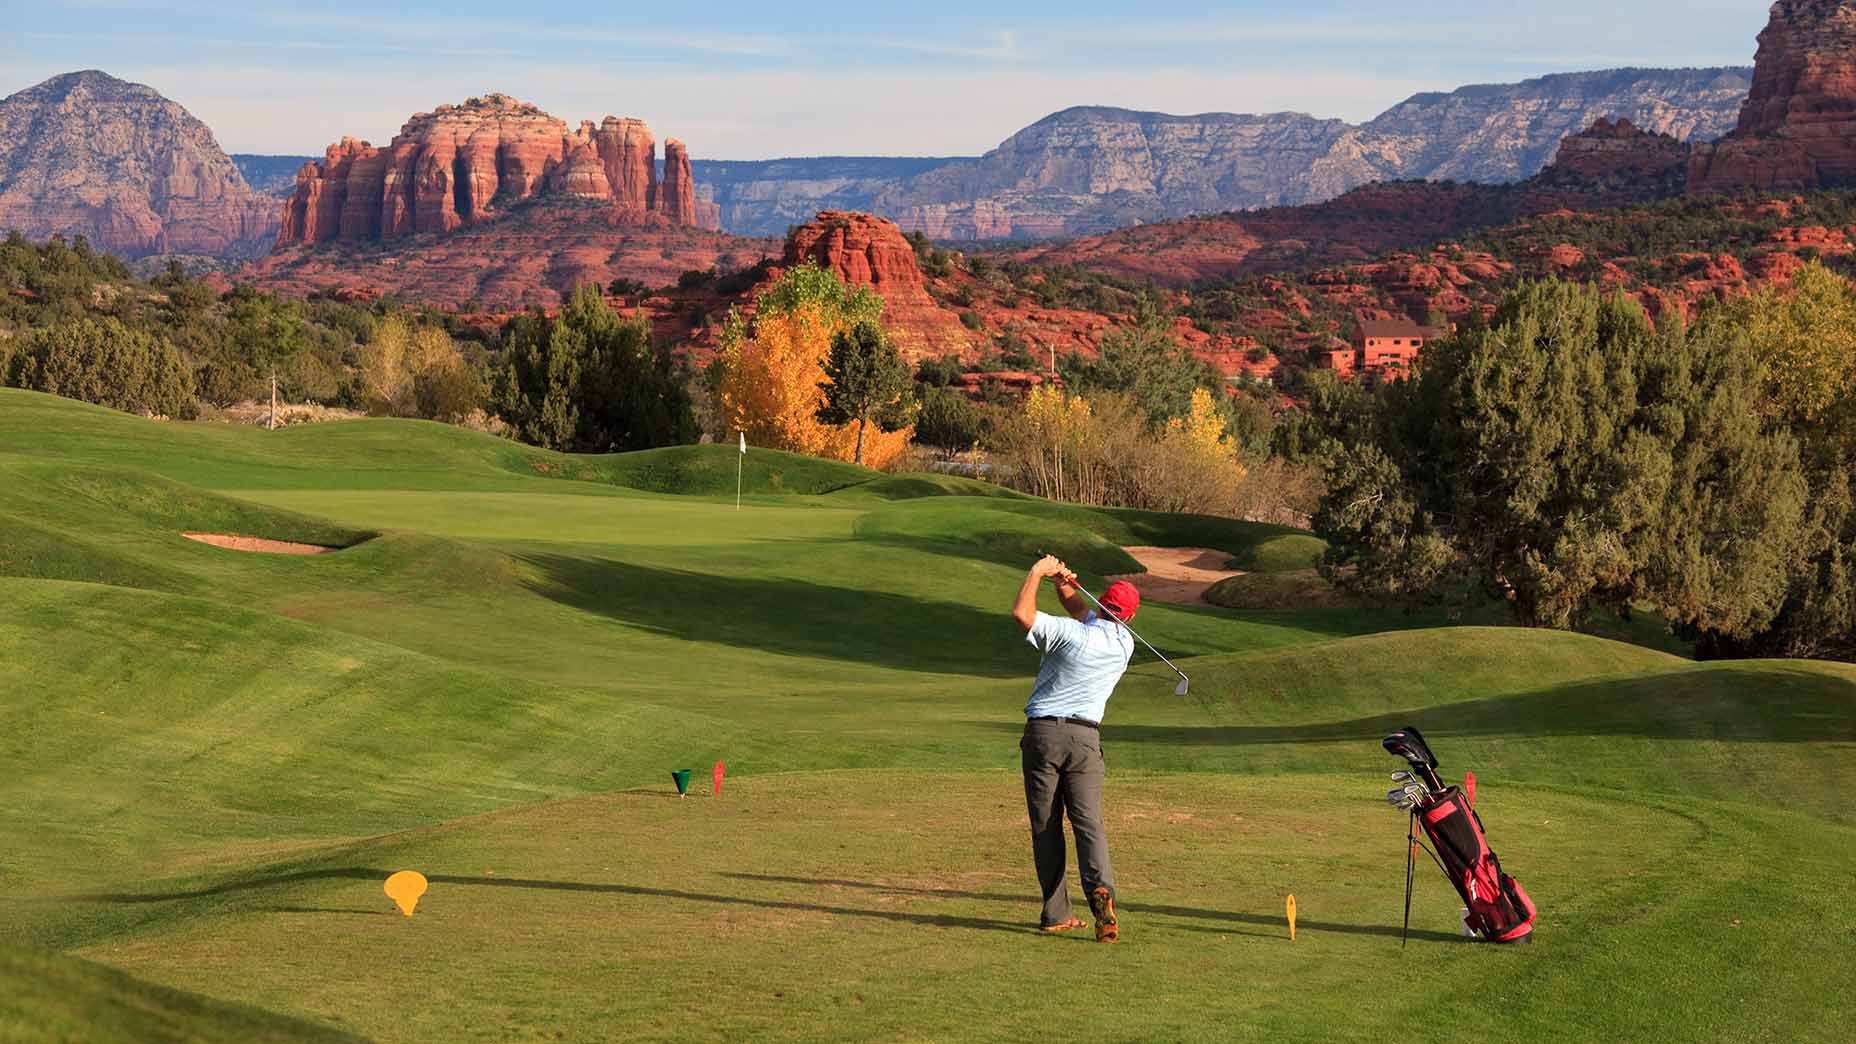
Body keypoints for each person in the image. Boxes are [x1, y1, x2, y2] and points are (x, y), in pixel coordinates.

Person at [1011, 554, 1140, 942]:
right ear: (1129, 617)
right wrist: (1063, 583)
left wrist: (1038, 573)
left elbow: (1022, 614)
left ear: (1101, 603)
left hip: (1044, 737)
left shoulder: (1069, 633)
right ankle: (1101, 892)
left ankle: (1055, 913)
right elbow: (1083, 609)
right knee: (1088, 824)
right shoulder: (1124, 643)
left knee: (1046, 827)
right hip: (1086, 741)